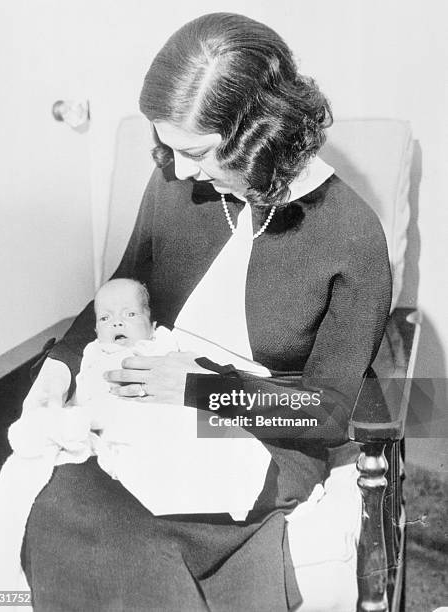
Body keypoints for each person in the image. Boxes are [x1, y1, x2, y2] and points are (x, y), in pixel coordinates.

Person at [21, 12, 392, 611]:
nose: (180, 168)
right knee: (65, 511)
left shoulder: (352, 236)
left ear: (260, 137)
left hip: (263, 433)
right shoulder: (173, 177)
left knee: (126, 530)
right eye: (168, 146)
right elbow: (122, 287)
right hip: (144, 406)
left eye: (196, 151)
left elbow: (328, 415)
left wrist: (200, 390)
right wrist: (58, 367)